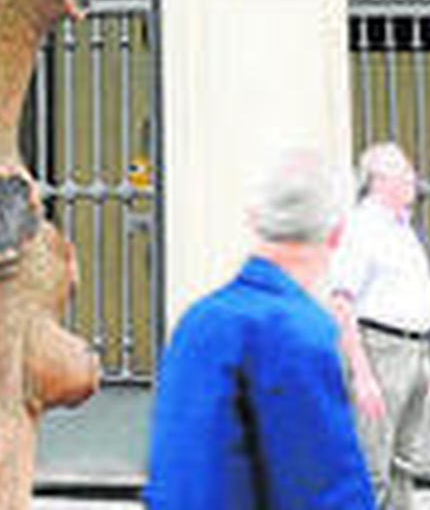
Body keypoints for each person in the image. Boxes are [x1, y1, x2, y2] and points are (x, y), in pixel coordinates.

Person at [144, 148, 373, 509]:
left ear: (253, 219)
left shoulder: (197, 322)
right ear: (337, 233)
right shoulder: (299, 331)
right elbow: (325, 489)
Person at [330, 142, 430, 510]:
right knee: (371, 467)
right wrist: (362, 375)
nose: (413, 178)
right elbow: (341, 302)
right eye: (404, 172)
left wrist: (423, 361)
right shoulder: (363, 227)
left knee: (402, 464)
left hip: (413, 351)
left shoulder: (401, 228)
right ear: (379, 181)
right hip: (381, 349)